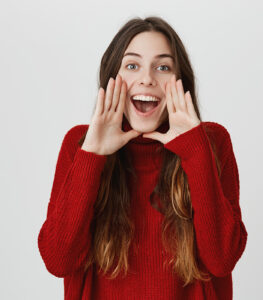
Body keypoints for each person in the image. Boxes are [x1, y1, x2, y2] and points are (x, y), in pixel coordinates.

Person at [37, 16, 248, 300]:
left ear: (178, 82)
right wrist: (92, 156)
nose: (147, 78)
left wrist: (195, 150)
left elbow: (222, 259)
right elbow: (58, 260)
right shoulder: (80, 144)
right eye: (132, 65)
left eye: (162, 67)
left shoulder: (211, 141)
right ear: (113, 79)